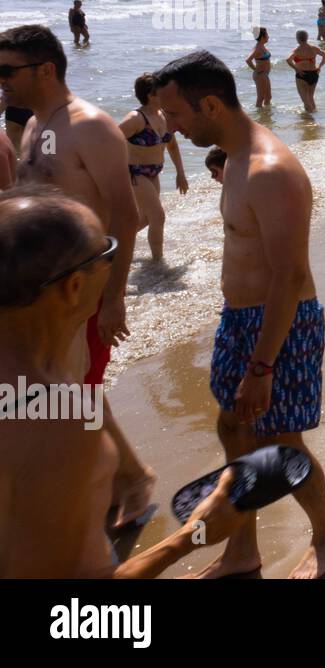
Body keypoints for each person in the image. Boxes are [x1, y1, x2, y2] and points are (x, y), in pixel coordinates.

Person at [154, 50, 325, 578]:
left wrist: (262, 367)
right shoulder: (232, 159)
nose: (168, 127)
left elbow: (289, 275)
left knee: (281, 440)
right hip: (240, 320)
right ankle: (243, 549)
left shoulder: (270, 171)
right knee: (233, 426)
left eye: (175, 115)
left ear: (211, 104)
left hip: (280, 325)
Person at [0, 186, 247, 577]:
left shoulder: (37, 385)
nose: (116, 265)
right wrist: (192, 536)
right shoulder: (56, 419)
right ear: (75, 287)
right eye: (107, 255)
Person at [0, 24, 157, 528]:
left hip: (81, 288)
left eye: (7, 71)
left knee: (73, 390)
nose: (1, 81)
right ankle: (122, 478)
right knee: (67, 389)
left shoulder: (90, 125)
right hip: (41, 291)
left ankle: (125, 479)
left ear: (45, 69)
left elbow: (126, 215)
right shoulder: (31, 126)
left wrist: (113, 297)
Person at [118, 74, 188, 262]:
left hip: (154, 173)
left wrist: (180, 173)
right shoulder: (136, 118)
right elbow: (110, 138)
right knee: (158, 216)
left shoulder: (164, 115)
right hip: (134, 173)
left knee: (147, 218)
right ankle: (158, 263)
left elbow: (172, 146)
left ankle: (112, 242)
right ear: (150, 95)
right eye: (161, 92)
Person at [287, 30, 325, 113]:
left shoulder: (297, 50)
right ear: (307, 38)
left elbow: (288, 60)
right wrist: (320, 66)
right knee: (310, 97)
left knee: (305, 100)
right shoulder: (314, 48)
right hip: (314, 74)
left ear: (297, 39)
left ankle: (309, 120)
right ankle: (314, 115)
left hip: (302, 75)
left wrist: (296, 69)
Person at [245, 27, 273, 108]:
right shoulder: (257, 48)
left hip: (264, 75)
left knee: (268, 97)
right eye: (267, 34)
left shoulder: (262, 46)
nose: (268, 36)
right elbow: (248, 60)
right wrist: (255, 69)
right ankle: (260, 117)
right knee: (261, 98)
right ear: (262, 37)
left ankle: (266, 115)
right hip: (260, 75)